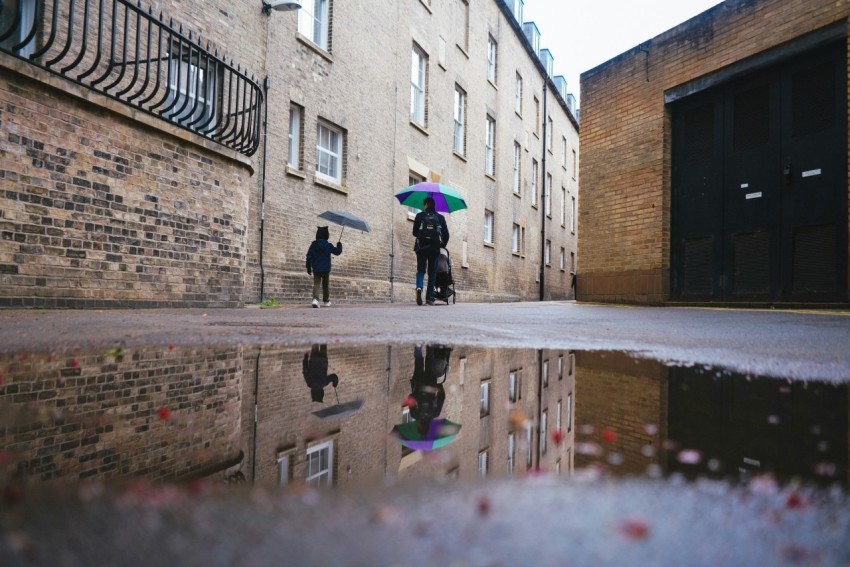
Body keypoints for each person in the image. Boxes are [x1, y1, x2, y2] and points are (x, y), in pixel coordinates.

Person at [412, 197, 449, 306]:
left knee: (421, 270)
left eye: (424, 205)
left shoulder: (419, 216)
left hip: (421, 248)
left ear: (426, 204)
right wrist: (442, 245)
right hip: (434, 248)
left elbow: (414, 233)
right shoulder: (440, 218)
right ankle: (429, 298)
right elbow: (446, 235)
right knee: (432, 272)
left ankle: (419, 287)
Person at [306, 226, 342, 308]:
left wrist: (308, 267)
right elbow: (337, 252)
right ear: (326, 235)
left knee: (316, 284)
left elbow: (309, 256)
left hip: (316, 268)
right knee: (325, 285)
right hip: (326, 269)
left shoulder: (313, 245)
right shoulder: (328, 245)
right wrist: (339, 245)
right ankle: (326, 301)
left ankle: (315, 299)